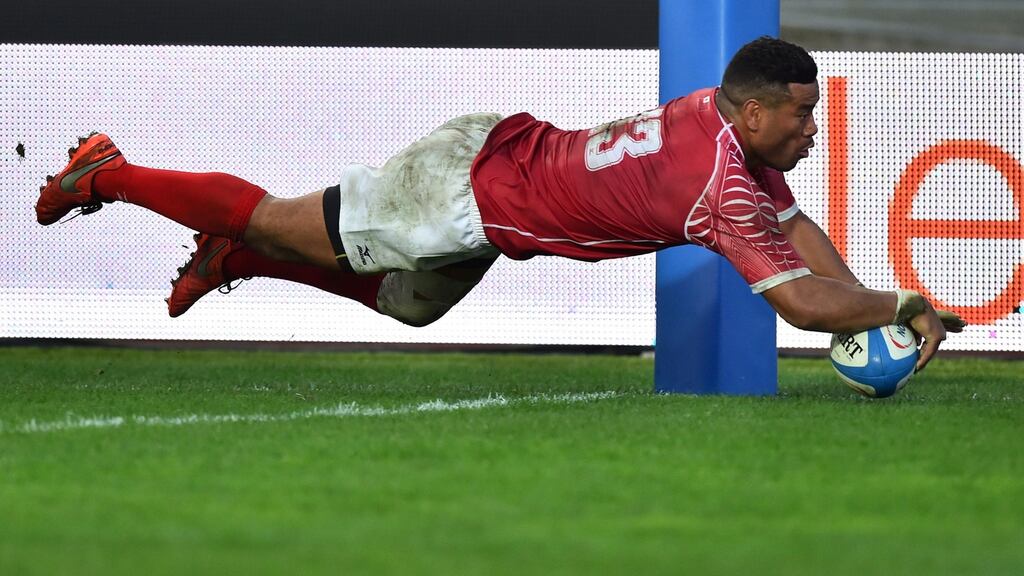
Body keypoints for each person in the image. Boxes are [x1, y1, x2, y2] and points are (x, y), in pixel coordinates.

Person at [35, 37, 964, 371]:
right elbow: (801, 300)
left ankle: (233, 258)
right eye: (802, 117)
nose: (812, 132)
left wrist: (882, 310)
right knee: (281, 215)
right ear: (755, 111)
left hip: (498, 177)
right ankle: (105, 171)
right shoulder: (716, 185)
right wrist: (902, 307)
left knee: (409, 304)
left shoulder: (714, 123)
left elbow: (796, 230)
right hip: (465, 192)